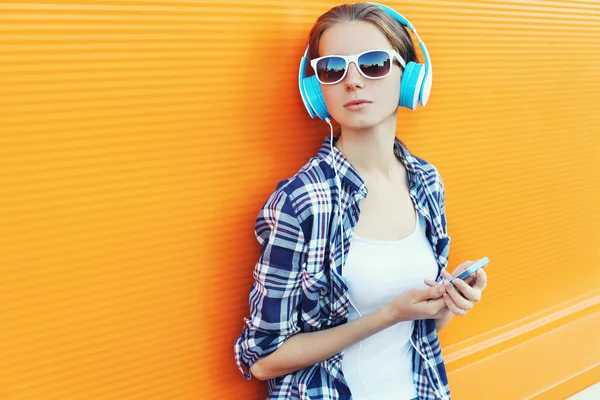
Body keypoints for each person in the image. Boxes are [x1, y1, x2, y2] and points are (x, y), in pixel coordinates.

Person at [234, 3, 488, 399]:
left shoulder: (426, 181)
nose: (352, 81)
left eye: (373, 64)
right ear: (316, 89)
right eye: (333, 69)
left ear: (411, 77)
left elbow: (417, 332)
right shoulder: (302, 202)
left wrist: (448, 304)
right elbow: (263, 358)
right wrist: (388, 314)